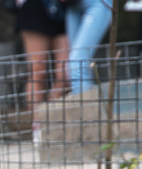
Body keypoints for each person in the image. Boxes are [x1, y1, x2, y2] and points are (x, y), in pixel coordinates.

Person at [14, 0, 69, 144]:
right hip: (35, 8)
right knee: (38, 72)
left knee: (65, 73)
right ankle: (38, 126)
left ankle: (50, 121)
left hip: (63, 8)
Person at [64, 0, 113, 95]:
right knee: (77, 67)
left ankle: (85, 109)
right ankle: (92, 106)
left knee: (76, 66)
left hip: (97, 3)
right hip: (72, 6)